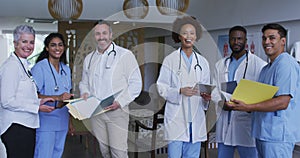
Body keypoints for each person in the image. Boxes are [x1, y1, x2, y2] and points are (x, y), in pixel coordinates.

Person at [226, 23, 300, 158]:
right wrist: (242, 105)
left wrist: (248, 106)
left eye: (272, 38)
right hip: (263, 132)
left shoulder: (286, 64)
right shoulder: (266, 69)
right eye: (264, 38)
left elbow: (283, 102)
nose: (267, 42)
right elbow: (262, 98)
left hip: (277, 135)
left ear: (283, 41)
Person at [79, 20, 142, 158]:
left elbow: (136, 83)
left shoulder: (124, 55)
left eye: (104, 33)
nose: (101, 37)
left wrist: (120, 101)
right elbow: (84, 83)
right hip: (96, 113)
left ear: (111, 34)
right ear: (93, 36)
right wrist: (85, 92)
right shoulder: (89, 59)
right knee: (104, 151)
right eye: (97, 34)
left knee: (118, 152)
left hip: (117, 111)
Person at [156, 16, 211, 158]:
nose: (188, 36)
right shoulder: (170, 60)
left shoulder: (202, 62)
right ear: (179, 36)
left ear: (196, 35)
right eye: (185, 33)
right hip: (177, 118)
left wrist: (206, 97)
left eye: (192, 33)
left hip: (196, 117)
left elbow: (206, 87)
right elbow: (161, 86)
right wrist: (179, 91)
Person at [0, 25, 54, 158]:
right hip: (16, 126)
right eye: (24, 41)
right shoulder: (11, 67)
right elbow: (7, 101)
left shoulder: (22, 63)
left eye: (31, 42)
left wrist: (40, 101)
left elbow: (22, 95)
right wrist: (37, 107)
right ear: (15, 43)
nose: (28, 46)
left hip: (25, 125)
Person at [213, 26, 266, 158]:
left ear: (245, 40)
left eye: (239, 39)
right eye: (233, 39)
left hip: (246, 122)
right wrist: (221, 103)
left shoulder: (259, 65)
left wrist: (248, 107)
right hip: (225, 121)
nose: (236, 42)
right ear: (229, 41)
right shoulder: (220, 65)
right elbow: (214, 91)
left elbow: (263, 95)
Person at [31, 33, 74, 158]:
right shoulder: (39, 68)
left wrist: (70, 122)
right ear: (47, 48)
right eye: (53, 45)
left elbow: (68, 97)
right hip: (46, 121)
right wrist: (57, 97)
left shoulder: (66, 69)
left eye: (60, 45)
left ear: (64, 47)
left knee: (57, 154)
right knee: (43, 155)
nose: (57, 48)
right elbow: (33, 96)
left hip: (62, 120)